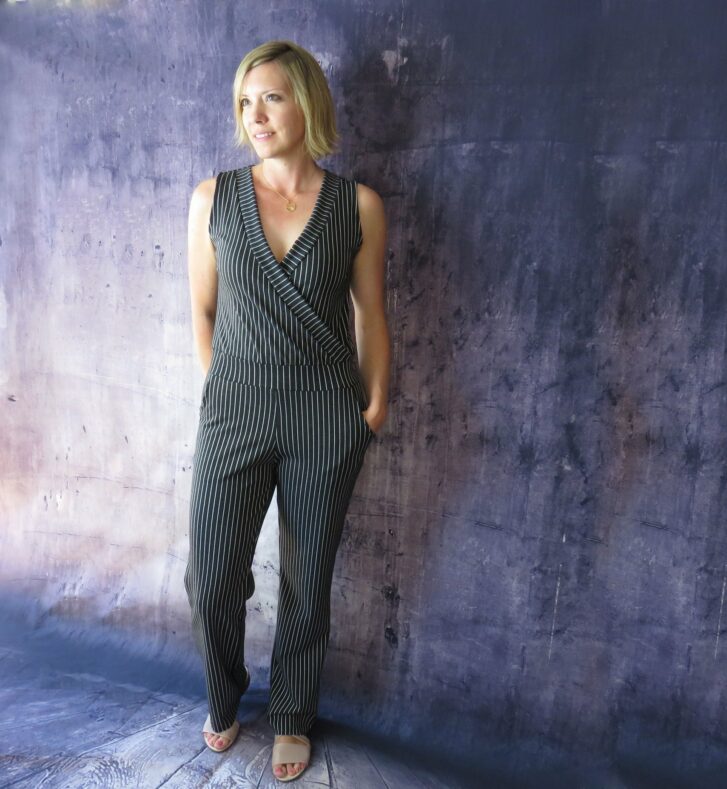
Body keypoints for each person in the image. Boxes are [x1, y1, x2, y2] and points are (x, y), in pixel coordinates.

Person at [183, 39, 389, 782]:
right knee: (211, 578)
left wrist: (373, 407)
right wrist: (225, 387)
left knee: (307, 581)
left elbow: (370, 314)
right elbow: (203, 311)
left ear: (307, 102)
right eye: (245, 102)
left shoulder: (358, 205)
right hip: (236, 410)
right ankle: (224, 696)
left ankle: (294, 713)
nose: (256, 115)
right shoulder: (213, 198)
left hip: (326, 416)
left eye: (271, 97)